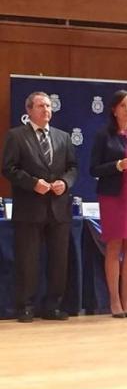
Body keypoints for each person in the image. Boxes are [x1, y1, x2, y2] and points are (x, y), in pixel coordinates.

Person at [2, 91, 78, 322]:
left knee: (58, 260)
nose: (46, 110)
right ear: (29, 110)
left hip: (58, 208)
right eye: (41, 106)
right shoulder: (16, 136)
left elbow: (73, 167)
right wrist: (33, 183)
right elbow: (9, 168)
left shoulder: (63, 137)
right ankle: (25, 306)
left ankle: (53, 305)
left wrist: (64, 183)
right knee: (27, 260)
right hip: (29, 208)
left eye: (48, 106)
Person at [90, 90, 127, 318]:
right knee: (114, 246)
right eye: (123, 105)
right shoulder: (104, 136)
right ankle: (114, 301)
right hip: (113, 197)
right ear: (114, 109)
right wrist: (118, 165)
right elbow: (93, 169)